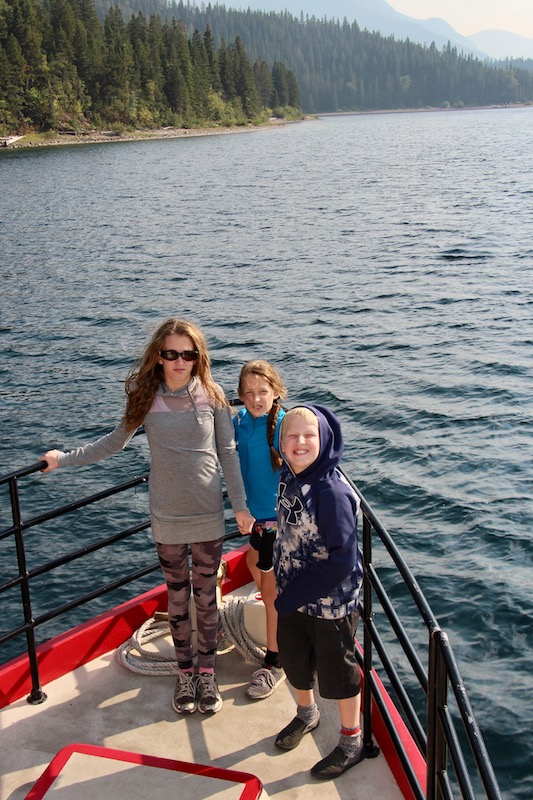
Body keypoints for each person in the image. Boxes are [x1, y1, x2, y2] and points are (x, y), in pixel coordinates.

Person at [39, 318, 254, 716]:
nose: (179, 361)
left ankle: (207, 673)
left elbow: (228, 454)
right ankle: (185, 672)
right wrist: (62, 460)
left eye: (188, 354)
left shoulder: (212, 394)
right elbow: (112, 443)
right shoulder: (145, 396)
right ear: (159, 356)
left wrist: (240, 506)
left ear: (197, 358)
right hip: (166, 516)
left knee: (206, 598)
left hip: (207, 512)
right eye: (171, 353)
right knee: (176, 598)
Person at [272, 404, 365, 780]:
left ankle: (350, 742)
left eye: (309, 435)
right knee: (294, 662)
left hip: (330, 605)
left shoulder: (330, 491)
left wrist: (291, 595)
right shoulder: (288, 475)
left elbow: (342, 561)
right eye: (291, 435)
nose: (300, 442)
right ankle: (306, 715)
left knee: (338, 675)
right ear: (280, 442)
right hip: (293, 594)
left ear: (324, 439)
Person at [233, 360, 287, 699]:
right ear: (239, 396)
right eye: (249, 393)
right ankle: (278, 613)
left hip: (278, 524)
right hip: (255, 520)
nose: (256, 399)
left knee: (270, 595)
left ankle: (276, 662)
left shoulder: (283, 425)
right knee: (253, 566)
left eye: (263, 392)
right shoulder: (239, 422)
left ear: (276, 392)